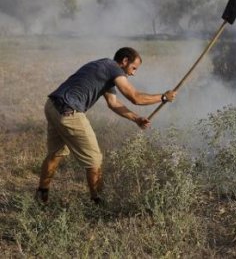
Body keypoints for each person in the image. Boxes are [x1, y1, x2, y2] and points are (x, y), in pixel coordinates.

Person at [35, 47, 176, 204]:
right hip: (69, 112)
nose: (133, 73)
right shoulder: (113, 69)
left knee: (56, 153)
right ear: (124, 61)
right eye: (133, 68)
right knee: (94, 160)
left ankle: (41, 195)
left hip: (52, 106)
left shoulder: (103, 67)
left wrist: (136, 119)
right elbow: (135, 98)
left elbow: (113, 104)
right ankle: (98, 203)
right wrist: (163, 97)